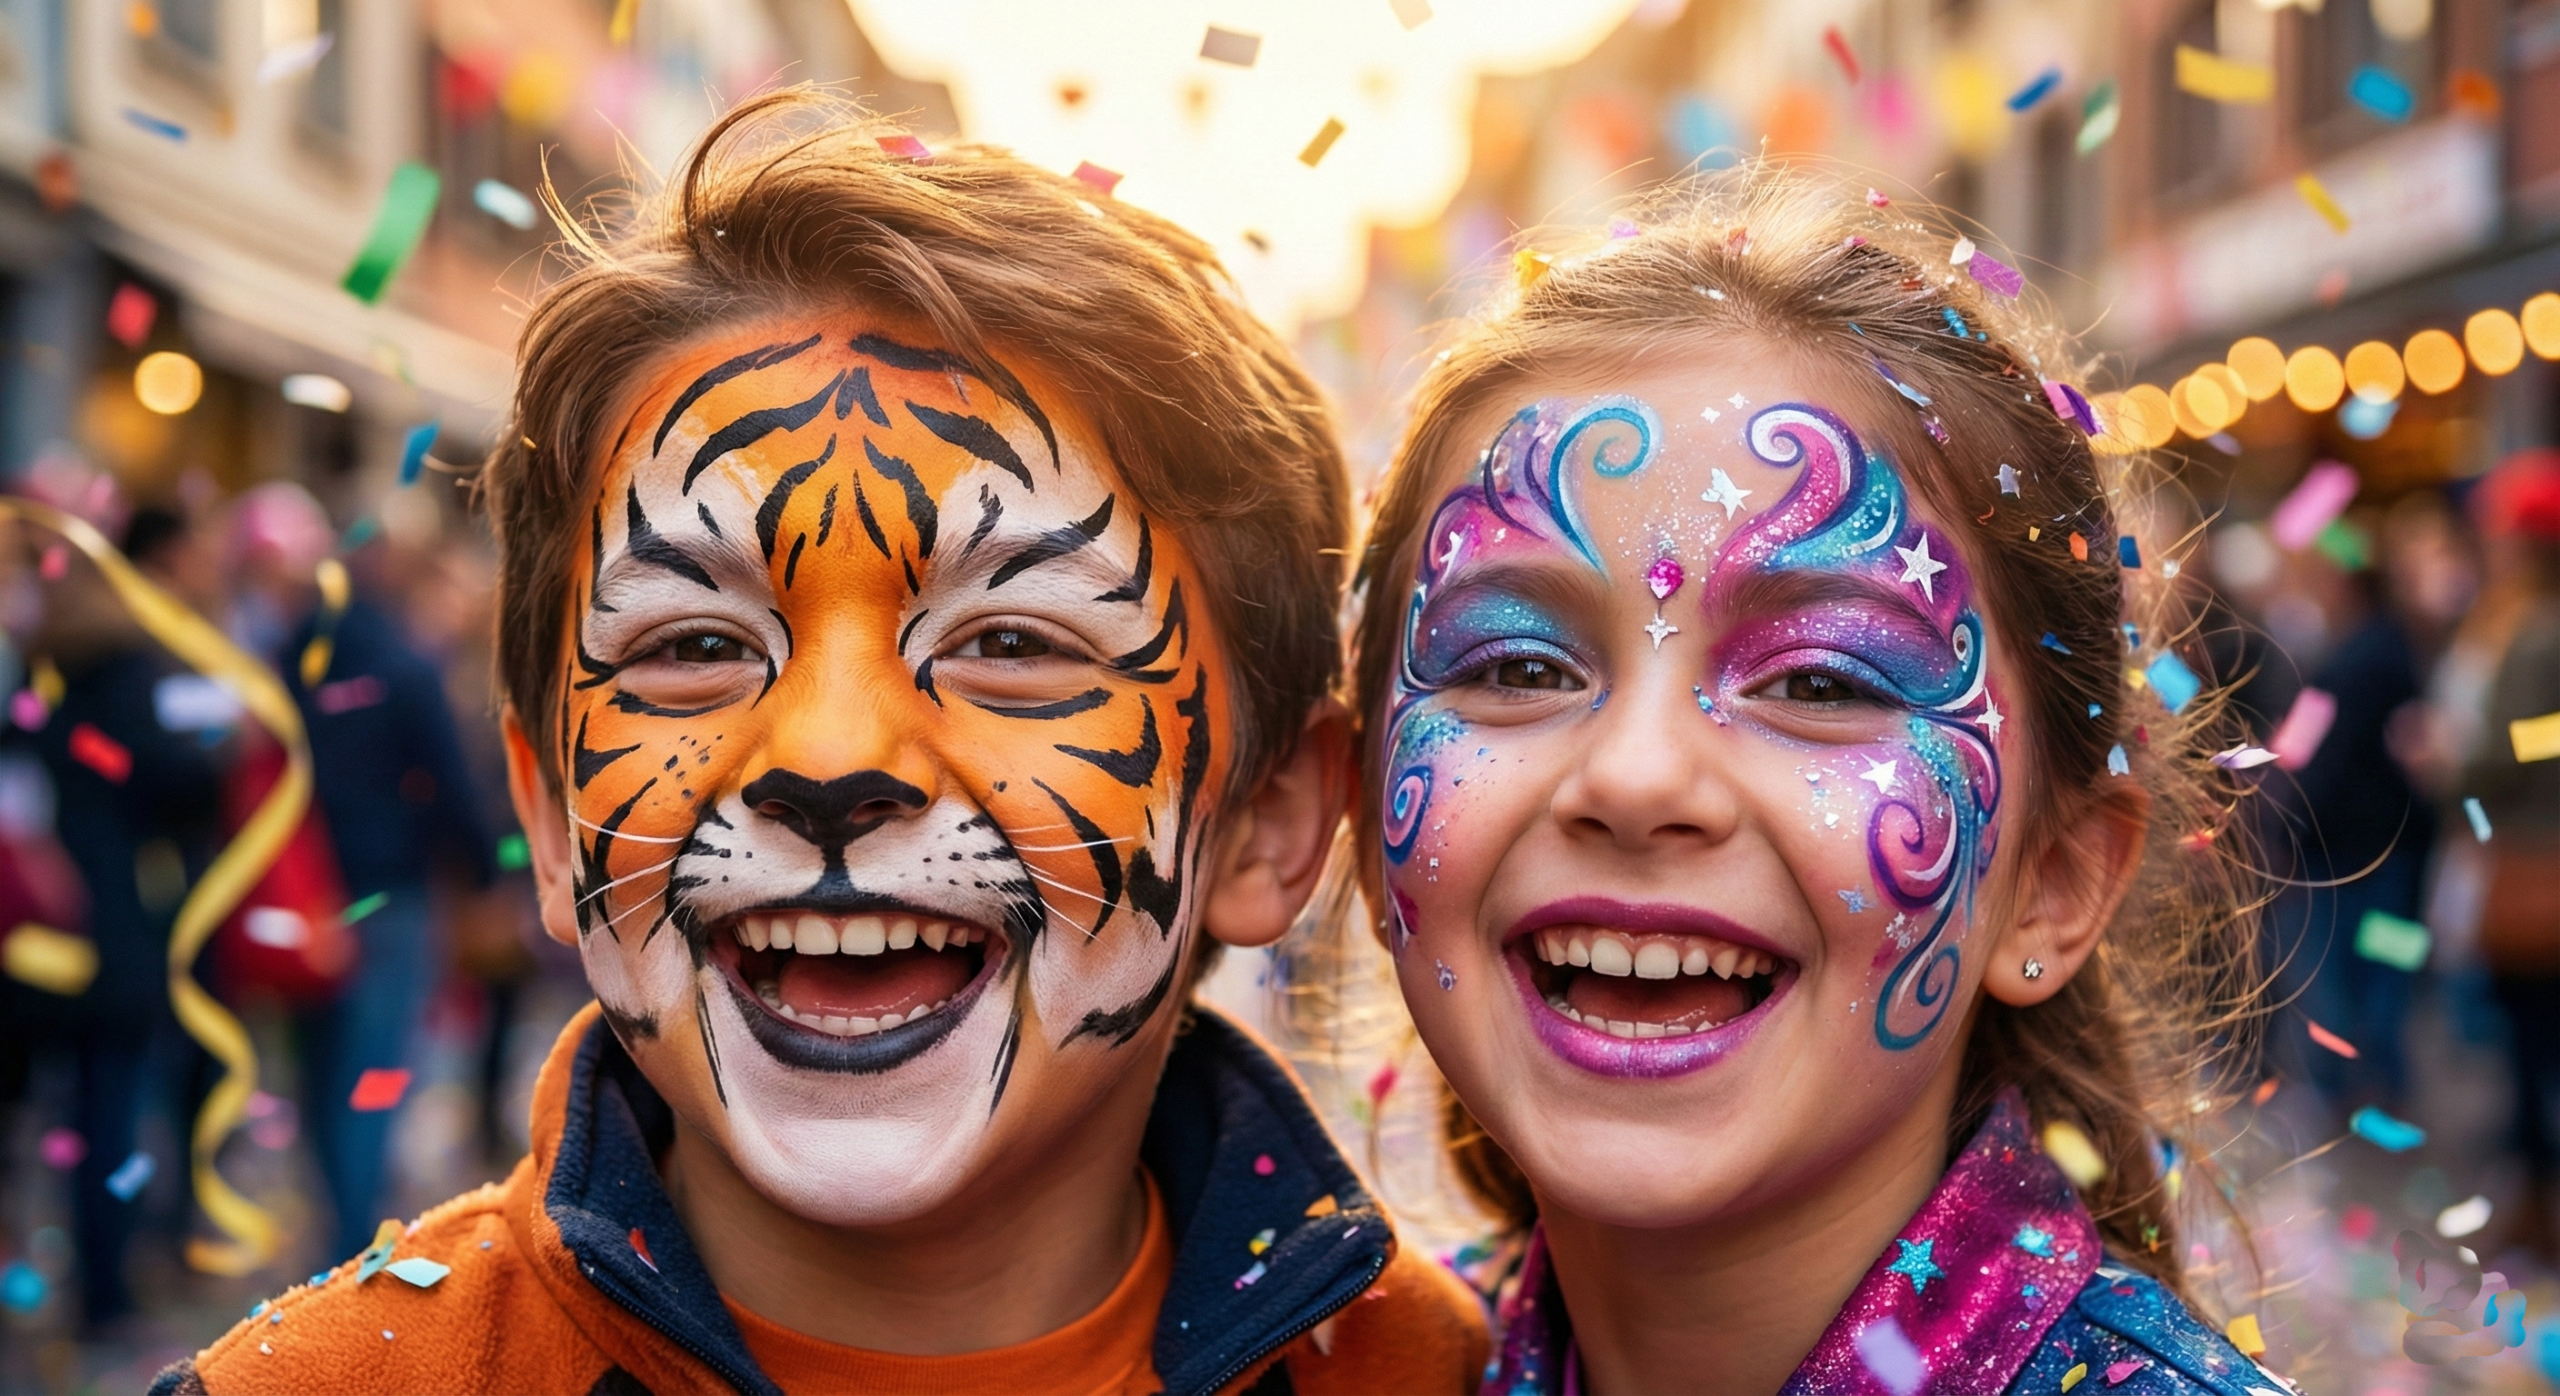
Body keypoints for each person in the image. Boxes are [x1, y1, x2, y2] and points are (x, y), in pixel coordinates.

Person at [155, 89, 1483, 1396]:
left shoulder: (1435, 1374)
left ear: (1267, 823)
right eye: (695, 648)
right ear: (554, 820)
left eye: (1014, 644)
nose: (829, 759)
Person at [1342, 169, 2283, 1393]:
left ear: (2051, 882)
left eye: (1823, 684)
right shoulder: (1372, 1366)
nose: (1635, 776)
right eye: (1517, 662)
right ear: (1365, 818)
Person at [234, 480, 497, 1263]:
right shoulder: (405, 665)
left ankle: (333, 1221)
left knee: (318, 1070)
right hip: (388, 897)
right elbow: (448, 786)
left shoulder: (287, 655)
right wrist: (485, 876)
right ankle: (349, 1243)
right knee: (374, 1072)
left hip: (303, 890)